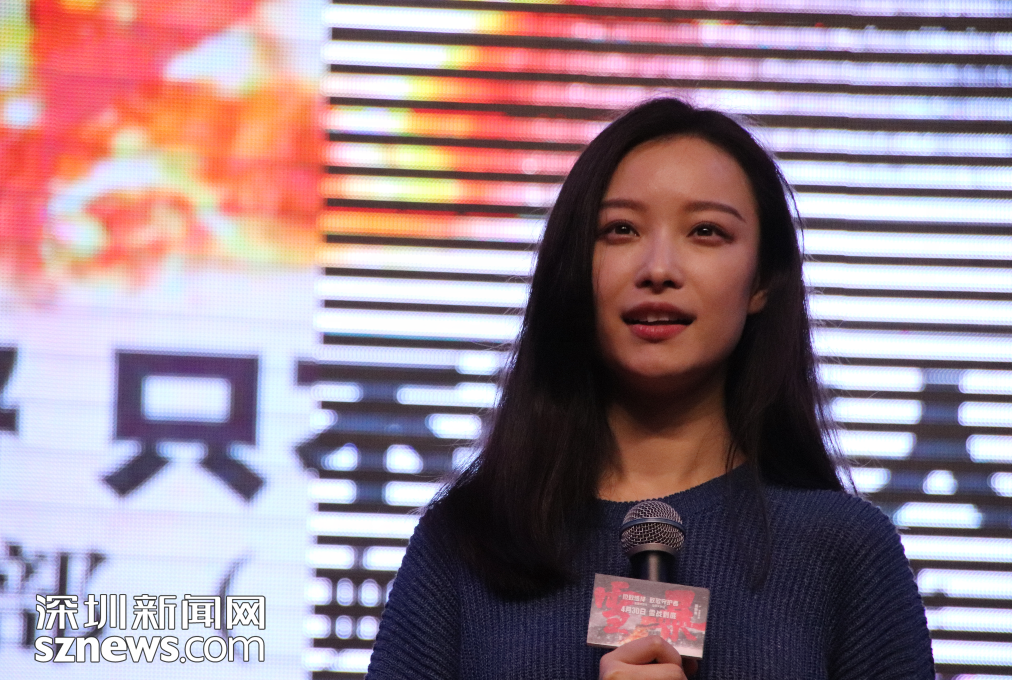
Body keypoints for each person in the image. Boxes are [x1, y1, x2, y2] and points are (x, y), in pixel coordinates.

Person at [365, 98, 934, 680]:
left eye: (706, 231)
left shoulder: (845, 551)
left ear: (763, 279)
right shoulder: (466, 543)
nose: (658, 269)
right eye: (621, 230)